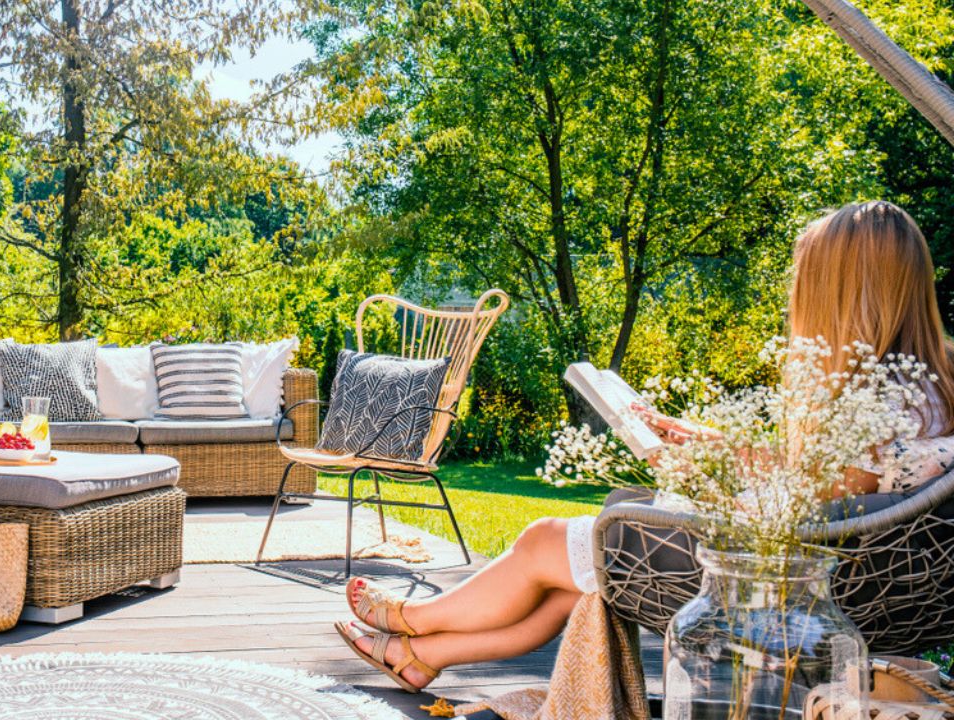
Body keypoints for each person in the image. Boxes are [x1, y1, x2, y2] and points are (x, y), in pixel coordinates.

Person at [335, 201, 954, 693]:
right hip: (867, 580)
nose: (795, 290)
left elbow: (810, 514)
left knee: (545, 541)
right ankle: (423, 657)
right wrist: (720, 444)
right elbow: (846, 489)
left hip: (785, 584)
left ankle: (414, 621)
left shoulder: (876, 398)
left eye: (806, 278)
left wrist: (699, 472)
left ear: (840, 292)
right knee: (565, 581)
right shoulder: (921, 383)